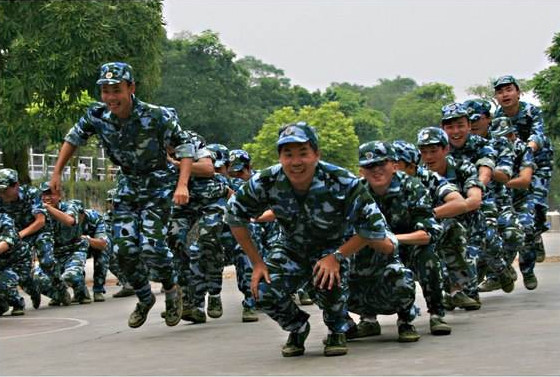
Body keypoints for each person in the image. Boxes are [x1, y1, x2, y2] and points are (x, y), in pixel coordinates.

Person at [226, 122, 397, 357]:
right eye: (288, 154)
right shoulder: (266, 181)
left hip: (334, 247)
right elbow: (234, 215)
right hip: (289, 248)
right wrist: (257, 263)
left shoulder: (341, 181)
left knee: (330, 281)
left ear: (316, 154)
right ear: (280, 157)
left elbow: (372, 227)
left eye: (303, 153)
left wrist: (337, 256)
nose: (296, 162)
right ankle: (297, 327)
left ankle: (338, 328)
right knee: (261, 288)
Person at [48, 62, 194, 328]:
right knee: (124, 249)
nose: (111, 97)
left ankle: (172, 291)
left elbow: (185, 146)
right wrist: (56, 172)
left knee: (152, 248)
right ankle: (144, 297)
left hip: (158, 184)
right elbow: (73, 138)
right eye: (105, 91)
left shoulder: (157, 115)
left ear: (131, 88)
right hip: (128, 185)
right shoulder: (97, 115)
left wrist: (182, 184)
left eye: (116, 90)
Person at [493, 75, 553, 263]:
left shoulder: (531, 111)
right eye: (500, 91)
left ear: (518, 92)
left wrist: (527, 149)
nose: (505, 95)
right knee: (519, 208)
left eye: (509, 90)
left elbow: (538, 135)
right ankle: (528, 241)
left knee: (538, 203)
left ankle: (537, 233)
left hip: (539, 162)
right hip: (514, 166)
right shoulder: (497, 118)